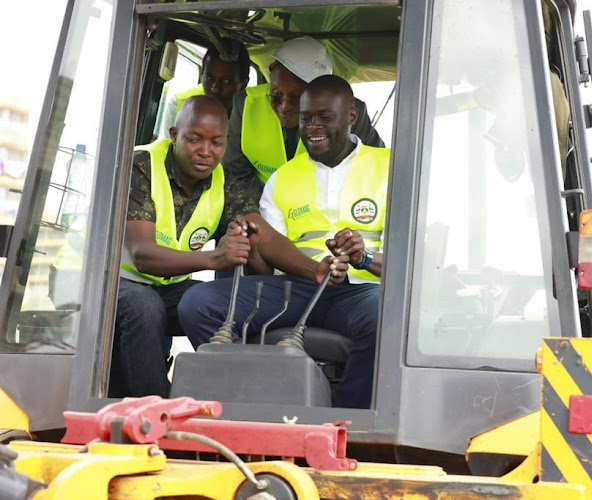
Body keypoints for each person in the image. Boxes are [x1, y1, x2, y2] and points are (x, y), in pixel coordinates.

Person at [113, 95, 348, 398]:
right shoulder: (141, 166)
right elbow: (143, 256)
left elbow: (262, 234)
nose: (206, 152)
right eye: (194, 140)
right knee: (144, 307)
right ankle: (158, 408)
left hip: (164, 288)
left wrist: (313, 269)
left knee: (216, 305)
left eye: (216, 143)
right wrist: (214, 259)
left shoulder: (225, 183)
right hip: (107, 286)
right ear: (174, 136)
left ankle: (239, 397)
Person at [179, 75, 389, 409]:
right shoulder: (283, 177)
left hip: (361, 292)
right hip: (296, 288)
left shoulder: (390, 167)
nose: (312, 127)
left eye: (325, 117)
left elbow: (411, 267)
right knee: (198, 303)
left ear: (351, 116)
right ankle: (251, 402)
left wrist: (363, 258)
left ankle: (350, 421)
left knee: (387, 312)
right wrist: (250, 245)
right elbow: (263, 270)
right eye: (306, 119)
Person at [222, 36, 385, 204]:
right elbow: (235, 173)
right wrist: (267, 213)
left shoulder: (346, 111)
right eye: (276, 95)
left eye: (296, 97)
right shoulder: (246, 104)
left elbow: (375, 171)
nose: (284, 106)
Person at [156, 42, 251, 139]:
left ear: (243, 84)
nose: (215, 89)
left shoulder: (254, 113)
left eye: (226, 81)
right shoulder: (178, 104)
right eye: (209, 79)